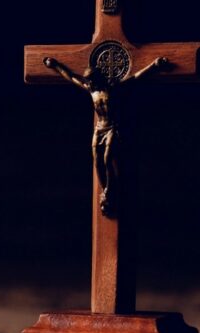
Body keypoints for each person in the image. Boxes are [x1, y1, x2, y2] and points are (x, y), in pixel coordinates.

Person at [43, 56, 167, 217]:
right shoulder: (91, 90)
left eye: (91, 80)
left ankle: (110, 188)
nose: (89, 82)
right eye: (88, 80)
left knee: (108, 158)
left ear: (98, 78)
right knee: (97, 160)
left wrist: (154, 66)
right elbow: (71, 77)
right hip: (99, 128)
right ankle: (106, 189)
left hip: (112, 127)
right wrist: (56, 65)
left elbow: (135, 77)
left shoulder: (113, 89)